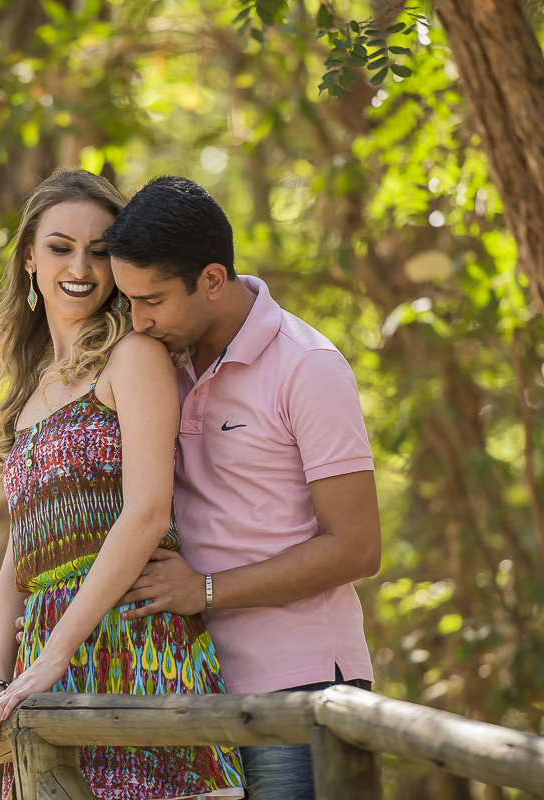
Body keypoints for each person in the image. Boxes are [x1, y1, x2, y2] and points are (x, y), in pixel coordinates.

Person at [0, 167, 244, 800]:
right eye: (60, 247)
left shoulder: (133, 357)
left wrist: (54, 655)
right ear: (29, 258)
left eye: (99, 251)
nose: (80, 267)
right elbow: (21, 552)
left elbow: (148, 512)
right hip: (45, 664)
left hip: (134, 649)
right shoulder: (28, 391)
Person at [104, 176, 382, 800]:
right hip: (192, 683)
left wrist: (202, 590)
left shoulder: (307, 366)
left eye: (152, 300)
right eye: (129, 302)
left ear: (211, 279)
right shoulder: (160, 362)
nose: (138, 321)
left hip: (300, 689)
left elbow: (357, 547)